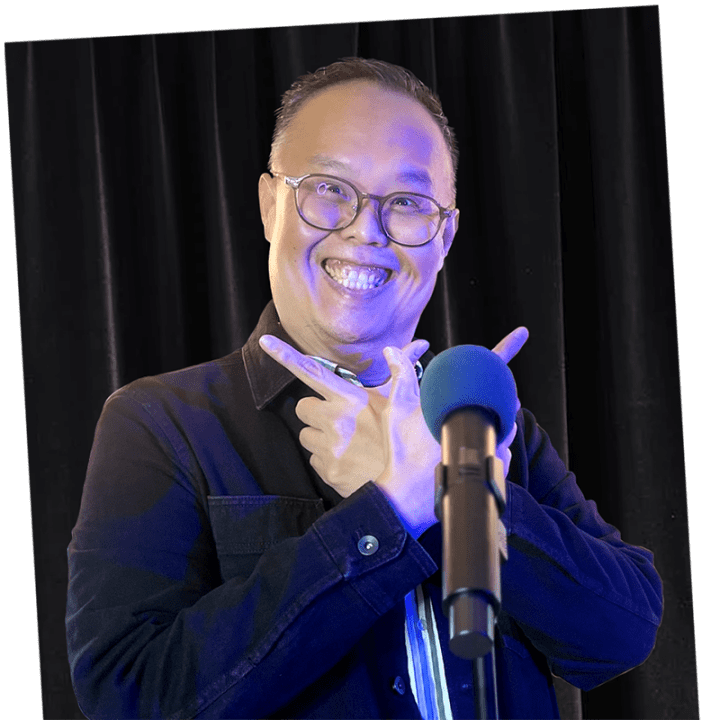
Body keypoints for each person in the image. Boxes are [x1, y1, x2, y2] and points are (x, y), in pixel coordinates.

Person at [66, 58, 663, 720]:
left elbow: (621, 634)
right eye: (329, 188)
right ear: (270, 206)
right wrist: (388, 514)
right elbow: (130, 693)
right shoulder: (160, 424)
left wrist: (457, 493)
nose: (364, 230)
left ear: (445, 236)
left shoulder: (485, 424)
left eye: (406, 202)